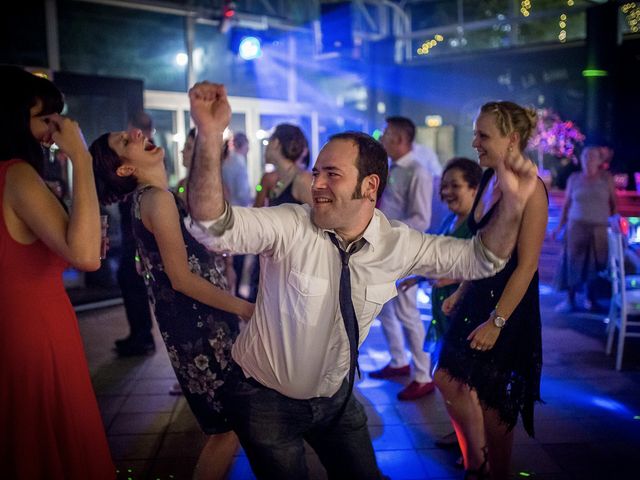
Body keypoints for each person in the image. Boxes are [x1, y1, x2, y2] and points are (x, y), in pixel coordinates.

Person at [183, 82, 537, 480]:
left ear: (369, 186)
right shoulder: (289, 225)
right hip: (265, 401)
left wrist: (516, 203)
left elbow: (482, 258)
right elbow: (211, 226)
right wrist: (210, 136)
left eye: (331, 174)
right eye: (316, 173)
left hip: (337, 400)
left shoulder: (395, 244)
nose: (316, 184)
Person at [90, 127, 254, 480]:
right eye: (124, 142)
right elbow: (180, 278)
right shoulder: (156, 199)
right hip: (201, 324)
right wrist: (243, 307)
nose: (136, 133)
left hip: (195, 321)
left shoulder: (152, 197)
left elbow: (152, 264)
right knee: (227, 429)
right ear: (124, 170)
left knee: (229, 426)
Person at [0, 65, 114, 479]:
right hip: (36, 333)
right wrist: (80, 157)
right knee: (53, 444)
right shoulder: (16, 174)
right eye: (44, 118)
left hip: (13, 330)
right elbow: (86, 256)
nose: (54, 128)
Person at [434, 101, 548, 480]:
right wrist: (462, 290)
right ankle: (475, 461)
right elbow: (482, 249)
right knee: (447, 376)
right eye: (476, 133)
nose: (475, 142)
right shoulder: (487, 179)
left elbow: (528, 265)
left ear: (511, 139)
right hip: (478, 293)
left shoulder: (534, 192)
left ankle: (495, 470)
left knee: (494, 400)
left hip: (507, 305)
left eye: (484, 135)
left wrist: (496, 322)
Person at [371, 116, 435, 401]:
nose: (382, 139)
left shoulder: (418, 172)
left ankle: (423, 375)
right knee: (384, 308)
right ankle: (399, 360)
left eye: (386, 134)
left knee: (408, 314)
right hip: (384, 248)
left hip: (402, 250)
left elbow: (421, 218)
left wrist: (388, 233)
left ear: (399, 138)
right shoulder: (392, 168)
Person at [112, 111, 156, 356]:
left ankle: (142, 336)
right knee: (129, 279)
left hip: (137, 231)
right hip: (134, 229)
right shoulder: (147, 151)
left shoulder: (144, 153)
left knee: (132, 279)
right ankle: (139, 333)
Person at [553, 146, 617, 313]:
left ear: (599, 160)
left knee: (596, 265)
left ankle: (591, 299)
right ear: (581, 159)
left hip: (599, 228)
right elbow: (566, 206)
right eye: (586, 156)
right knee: (572, 263)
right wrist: (559, 228)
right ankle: (570, 300)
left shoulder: (606, 178)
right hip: (576, 227)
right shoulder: (574, 178)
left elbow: (614, 204)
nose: (589, 159)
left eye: (592, 156)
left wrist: (617, 224)